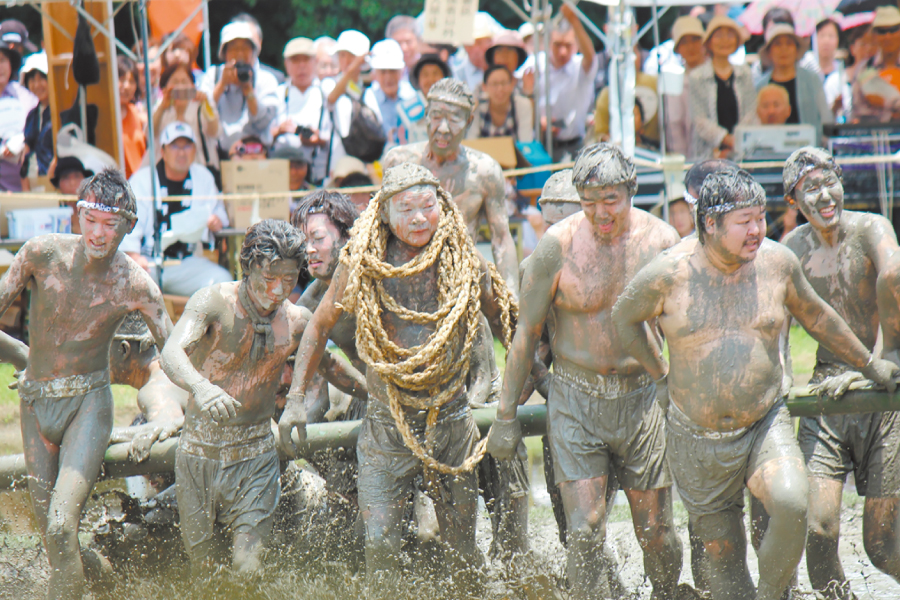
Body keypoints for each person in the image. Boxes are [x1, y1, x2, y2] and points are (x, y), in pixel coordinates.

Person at [611, 168, 900, 600]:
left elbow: (816, 316)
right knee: (725, 561)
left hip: (764, 424)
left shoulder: (776, 262)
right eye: (744, 221)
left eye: (760, 218)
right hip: (696, 437)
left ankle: (770, 596)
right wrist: (659, 375)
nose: (757, 230)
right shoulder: (669, 272)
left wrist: (869, 364)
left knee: (791, 501)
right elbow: (623, 318)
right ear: (710, 223)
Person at [280, 163, 517, 596]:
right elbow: (317, 327)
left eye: (428, 206)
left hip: (451, 418)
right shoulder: (363, 263)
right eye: (406, 209)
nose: (419, 218)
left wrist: (520, 394)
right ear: (384, 215)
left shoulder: (462, 258)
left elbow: (504, 326)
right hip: (386, 423)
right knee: (381, 550)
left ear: (443, 207)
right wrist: (295, 398)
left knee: (463, 550)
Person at [487, 144, 683, 600]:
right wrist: (504, 416)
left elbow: (683, 324)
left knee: (656, 530)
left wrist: (681, 390)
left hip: (640, 396)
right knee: (584, 528)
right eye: (589, 201)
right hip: (575, 396)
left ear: (631, 192)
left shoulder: (661, 241)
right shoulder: (556, 247)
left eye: (610, 199)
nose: (600, 212)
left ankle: (668, 593)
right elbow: (525, 334)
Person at [0, 168, 172, 598]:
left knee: (60, 525)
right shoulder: (41, 254)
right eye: (90, 221)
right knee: (56, 539)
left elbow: (176, 351)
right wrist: (24, 356)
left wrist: (204, 390)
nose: (98, 234)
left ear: (128, 226)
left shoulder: (134, 283)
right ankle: (113, 586)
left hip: (88, 406)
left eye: (110, 225)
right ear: (77, 216)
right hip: (36, 403)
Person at [159, 219, 365, 575]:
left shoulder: (296, 321)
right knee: (203, 568)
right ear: (249, 267)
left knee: (248, 567)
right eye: (269, 280)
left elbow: (331, 366)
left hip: (256, 454)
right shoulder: (212, 302)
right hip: (199, 454)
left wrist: (380, 393)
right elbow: (171, 355)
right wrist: (203, 387)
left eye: (288, 280)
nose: (277, 291)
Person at [779, 147, 900, 600]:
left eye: (830, 181)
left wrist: (882, 359)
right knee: (820, 529)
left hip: (883, 389)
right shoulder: (792, 250)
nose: (825, 195)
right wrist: (782, 378)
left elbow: (893, 274)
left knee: (883, 544)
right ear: (793, 201)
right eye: (811, 188)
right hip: (827, 392)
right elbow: (777, 322)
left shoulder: (871, 228)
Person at [382, 78, 518, 296]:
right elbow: (380, 226)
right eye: (436, 117)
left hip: (460, 281)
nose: (443, 129)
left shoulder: (484, 171)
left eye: (455, 119)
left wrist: (511, 299)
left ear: (469, 121)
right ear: (426, 115)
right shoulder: (399, 161)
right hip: (403, 282)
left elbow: (501, 238)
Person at [125, 121, 231, 297]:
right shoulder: (142, 180)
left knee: (223, 282)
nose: (181, 152)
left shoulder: (203, 177)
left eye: (187, 146)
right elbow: (129, 228)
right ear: (163, 152)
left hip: (185, 262)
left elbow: (219, 212)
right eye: (175, 146)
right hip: (148, 262)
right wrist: (135, 258)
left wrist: (216, 220)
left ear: (194, 150)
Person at [524, 3, 598, 161]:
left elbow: (590, 56)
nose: (562, 52)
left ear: (576, 46)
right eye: (557, 45)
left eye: (568, 46)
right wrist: (539, 120)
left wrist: (574, 21)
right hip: (541, 144)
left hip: (574, 145)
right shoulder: (534, 64)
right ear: (548, 43)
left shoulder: (580, 67)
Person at [200, 21, 279, 154]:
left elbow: (263, 122)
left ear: (254, 52)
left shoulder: (266, 79)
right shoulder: (213, 76)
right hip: (219, 154)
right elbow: (202, 113)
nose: (240, 54)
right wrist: (222, 85)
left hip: (255, 155)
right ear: (224, 53)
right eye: (234, 48)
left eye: (245, 48)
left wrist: (248, 91)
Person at [689, 16, 756, 160]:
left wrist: (736, 142)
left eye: (730, 35)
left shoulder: (745, 73)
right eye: (719, 35)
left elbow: (750, 112)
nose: (725, 40)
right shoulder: (697, 76)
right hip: (708, 155)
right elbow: (700, 119)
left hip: (742, 154)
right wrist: (725, 139)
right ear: (709, 42)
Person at [755, 23, 833, 143]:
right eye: (777, 44)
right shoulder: (760, 85)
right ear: (769, 52)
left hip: (808, 148)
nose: (783, 49)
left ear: (797, 50)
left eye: (789, 44)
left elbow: (825, 116)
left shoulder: (811, 79)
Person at [271, 37, 333, 185]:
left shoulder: (326, 93)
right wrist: (280, 130)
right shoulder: (277, 94)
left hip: (316, 174)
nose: (301, 66)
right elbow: (265, 136)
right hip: (281, 173)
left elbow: (334, 140)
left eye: (306, 60)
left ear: (315, 62)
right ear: (286, 64)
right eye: (295, 60)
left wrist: (317, 139)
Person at [324, 30, 383, 171]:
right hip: (338, 160)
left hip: (366, 161)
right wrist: (353, 68)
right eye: (342, 55)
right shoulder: (329, 84)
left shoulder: (370, 90)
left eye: (351, 56)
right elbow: (331, 98)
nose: (346, 60)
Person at [150, 63, 219, 174]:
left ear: (192, 85)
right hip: (164, 172)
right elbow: (150, 134)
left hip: (199, 169)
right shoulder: (160, 105)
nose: (180, 86)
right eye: (175, 82)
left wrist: (205, 104)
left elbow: (214, 131)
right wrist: (162, 107)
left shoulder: (202, 105)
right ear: (165, 86)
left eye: (184, 82)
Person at [664, 16, 707, 156]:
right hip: (690, 159)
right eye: (684, 42)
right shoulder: (674, 80)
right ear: (677, 48)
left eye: (695, 39)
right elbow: (673, 126)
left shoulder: (718, 74)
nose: (690, 47)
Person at [851, 6, 900, 123]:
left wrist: (885, 102)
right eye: (882, 31)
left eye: (893, 30)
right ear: (874, 35)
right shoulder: (864, 68)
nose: (888, 36)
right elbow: (857, 109)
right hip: (874, 135)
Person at [0, 39, 35, 192]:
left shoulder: (24, 96)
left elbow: (37, 126)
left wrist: (20, 141)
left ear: (10, 65)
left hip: (23, 184)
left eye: (2, 60)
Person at [469, 65, 533, 142]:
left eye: (504, 83)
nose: (500, 89)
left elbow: (525, 141)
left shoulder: (522, 105)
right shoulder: (477, 106)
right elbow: (471, 141)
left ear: (512, 84)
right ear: (484, 87)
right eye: (495, 84)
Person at [397, 54, 450, 146]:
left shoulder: (454, 107)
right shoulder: (405, 109)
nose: (431, 79)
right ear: (418, 80)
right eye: (425, 75)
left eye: (435, 73)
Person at [369, 39, 416, 144]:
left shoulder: (412, 97)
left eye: (392, 70)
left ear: (402, 71)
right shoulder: (368, 99)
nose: (388, 77)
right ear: (375, 73)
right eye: (383, 71)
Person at [825, 25, 875, 120]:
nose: (868, 49)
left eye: (873, 44)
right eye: (863, 44)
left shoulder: (882, 76)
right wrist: (835, 107)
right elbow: (825, 117)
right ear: (852, 48)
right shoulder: (835, 80)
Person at [19, 52, 51, 181]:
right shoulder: (32, 115)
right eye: (32, 79)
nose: (37, 85)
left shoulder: (61, 113)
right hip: (35, 181)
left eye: (41, 78)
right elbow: (26, 152)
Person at [451, 12, 496, 93]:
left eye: (489, 42)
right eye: (479, 43)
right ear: (466, 47)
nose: (486, 47)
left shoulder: (499, 69)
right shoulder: (457, 75)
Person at [385, 15, 420, 83]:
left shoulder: (428, 67)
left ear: (418, 41)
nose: (404, 48)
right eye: (398, 43)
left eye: (408, 42)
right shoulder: (382, 71)